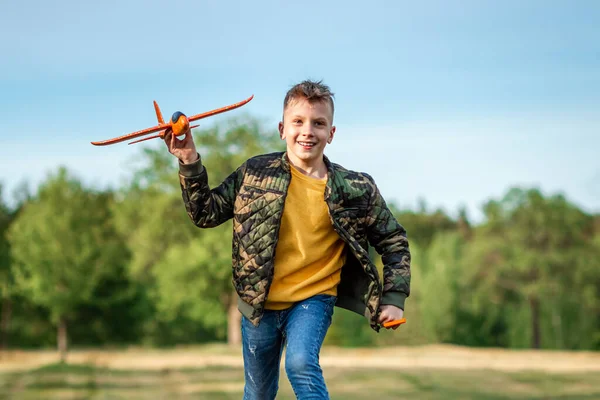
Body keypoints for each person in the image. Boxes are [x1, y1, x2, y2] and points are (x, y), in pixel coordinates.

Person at [163, 80, 411, 400]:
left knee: (300, 363)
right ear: (282, 129)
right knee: (258, 393)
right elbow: (205, 214)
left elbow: (393, 239)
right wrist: (188, 160)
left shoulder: (356, 188)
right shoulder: (255, 173)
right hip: (258, 303)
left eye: (318, 123)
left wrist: (393, 297)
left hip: (314, 297)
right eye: (298, 122)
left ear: (331, 133)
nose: (307, 131)